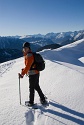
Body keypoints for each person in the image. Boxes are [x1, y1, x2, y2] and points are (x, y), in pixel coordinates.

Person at [18, 42, 47, 106]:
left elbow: (28, 66)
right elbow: (29, 66)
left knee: (31, 88)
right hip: (36, 72)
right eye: (24, 48)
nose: (25, 49)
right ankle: (42, 98)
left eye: (26, 48)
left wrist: (22, 74)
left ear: (29, 48)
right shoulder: (29, 54)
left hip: (33, 74)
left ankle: (31, 102)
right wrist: (24, 70)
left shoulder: (29, 55)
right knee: (36, 86)